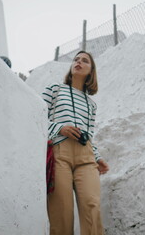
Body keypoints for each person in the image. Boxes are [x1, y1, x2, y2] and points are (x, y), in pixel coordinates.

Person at [42, 51, 109, 235]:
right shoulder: (55, 89)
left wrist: (97, 157)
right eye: (76, 59)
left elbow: (89, 134)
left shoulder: (91, 105)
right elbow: (36, 116)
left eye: (85, 61)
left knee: (92, 205)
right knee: (61, 212)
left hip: (86, 155)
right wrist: (59, 128)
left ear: (91, 71)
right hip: (60, 152)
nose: (79, 62)